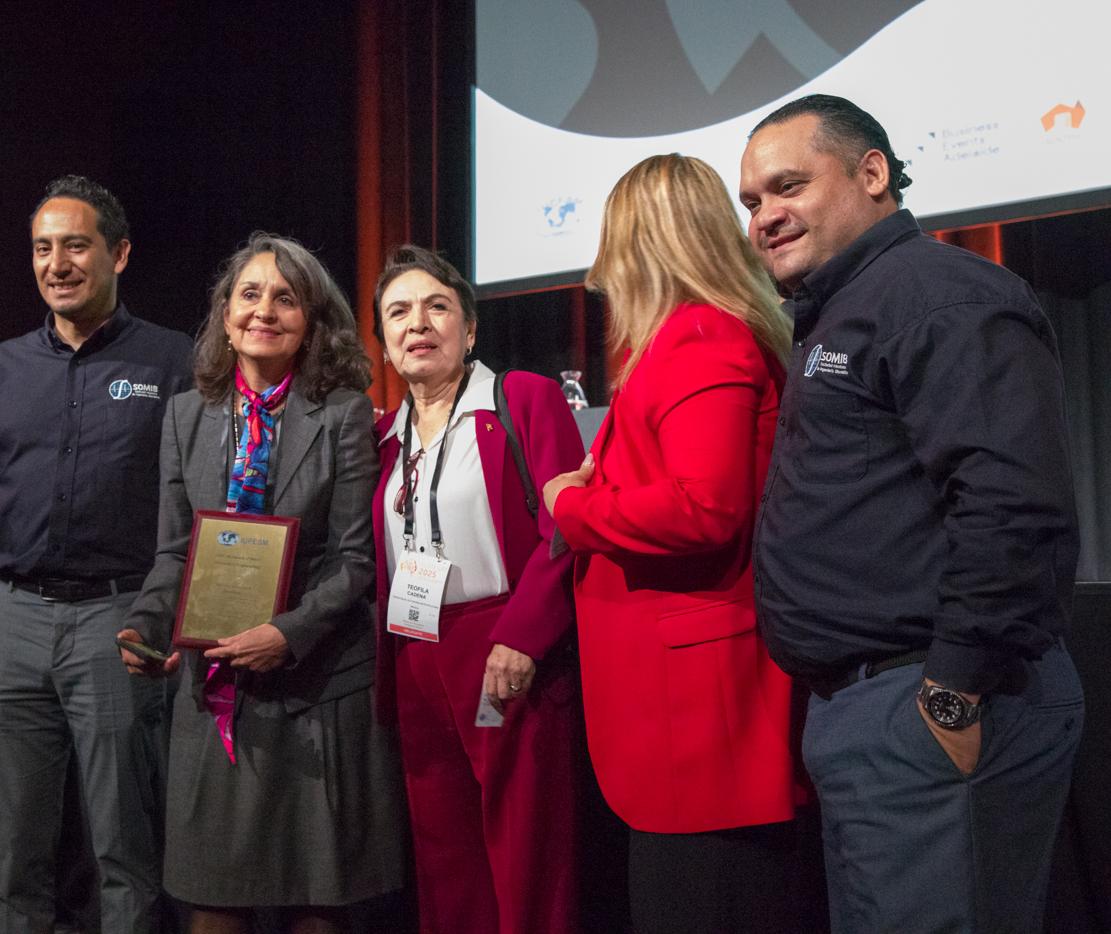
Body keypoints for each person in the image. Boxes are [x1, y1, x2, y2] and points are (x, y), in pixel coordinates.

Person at [739, 94, 1083, 934]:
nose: (765, 215)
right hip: (872, 714)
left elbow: (1012, 508)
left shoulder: (939, 293)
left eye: (788, 186)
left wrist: (953, 694)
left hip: (935, 705)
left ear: (871, 174)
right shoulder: (849, 306)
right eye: (751, 201)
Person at [117, 233, 405, 934]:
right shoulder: (185, 414)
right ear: (225, 313)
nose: (264, 311)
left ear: (312, 320)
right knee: (213, 898)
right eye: (249, 294)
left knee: (317, 901)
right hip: (216, 690)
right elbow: (175, 551)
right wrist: (146, 626)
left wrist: (287, 633)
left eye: (286, 298)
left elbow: (356, 559)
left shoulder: (343, 411)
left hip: (316, 684)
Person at [0, 176, 194, 933]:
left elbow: (194, 509)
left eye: (76, 245)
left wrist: (167, 619)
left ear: (120, 253)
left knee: (125, 853)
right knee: (14, 857)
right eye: (43, 248)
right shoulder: (1, 367)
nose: (57, 263)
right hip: (9, 620)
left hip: (119, 618)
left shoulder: (173, 361)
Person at [543, 154, 797, 933]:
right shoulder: (687, 339)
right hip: (686, 709)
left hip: (700, 719)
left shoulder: (699, 339)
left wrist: (573, 504)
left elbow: (703, 508)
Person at [370, 245, 583, 934]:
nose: (417, 323)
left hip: (498, 649)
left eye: (436, 307)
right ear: (384, 341)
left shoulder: (520, 399)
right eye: (398, 312)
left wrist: (522, 636)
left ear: (469, 330)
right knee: (444, 847)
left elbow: (566, 529)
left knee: (523, 840)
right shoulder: (384, 436)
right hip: (416, 652)